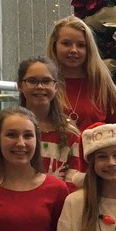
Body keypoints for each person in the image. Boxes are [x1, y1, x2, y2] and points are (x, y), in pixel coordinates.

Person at [15, 56, 84, 187]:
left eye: (46, 81)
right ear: (20, 85)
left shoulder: (71, 135)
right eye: (32, 81)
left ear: (56, 86)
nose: (39, 86)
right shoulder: (4, 131)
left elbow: (73, 186)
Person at [46, 16, 116, 127]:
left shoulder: (102, 85)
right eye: (66, 43)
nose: (73, 50)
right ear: (54, 46)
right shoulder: (44, 84)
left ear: (89, 49)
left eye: (81, 45)